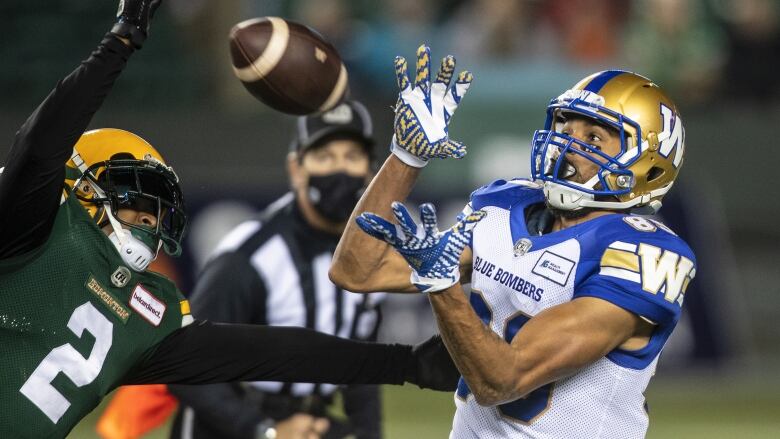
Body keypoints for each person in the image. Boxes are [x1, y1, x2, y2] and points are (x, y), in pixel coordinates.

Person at [0, 4, 457, 437]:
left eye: (155, 211)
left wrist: (405, 364)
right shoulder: (32, 235)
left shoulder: (149, 314)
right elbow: (40, 148)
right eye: (131, 202)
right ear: (79, 188)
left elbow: (268, 353)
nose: (146, 220)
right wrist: (119, 42)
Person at [330, 45, 697, 438]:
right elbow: (357, 270)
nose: (568, 146)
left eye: (593, 137)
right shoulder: (507, 204)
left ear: (647, 163)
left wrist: (442, 285)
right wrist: (406, 157)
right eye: (565, 128)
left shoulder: (643, 254)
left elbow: (503, 379)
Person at [167, 100, 386, 439]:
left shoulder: (374, 254)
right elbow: (184, 366)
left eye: (352, 157)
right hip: (229, 422)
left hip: (309, 419)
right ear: (296, 169)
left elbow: (361, 372)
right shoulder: (250, 255)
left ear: (371, 173)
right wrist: (265, 431)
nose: (340, 170)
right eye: (325, 156)